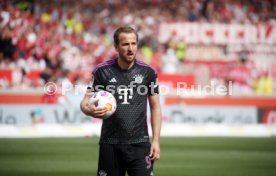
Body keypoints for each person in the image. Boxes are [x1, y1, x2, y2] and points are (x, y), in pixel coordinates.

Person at [80, 26, 162, 176]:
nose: (130, 48)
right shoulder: (102, 71)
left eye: (133, 43)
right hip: (110, 144)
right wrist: (89, 110)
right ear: (116, 47)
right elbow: (84, 103)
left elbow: (155, 107)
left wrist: (155, 140)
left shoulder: (148, 72)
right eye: (125, 44)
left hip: (140, 144)